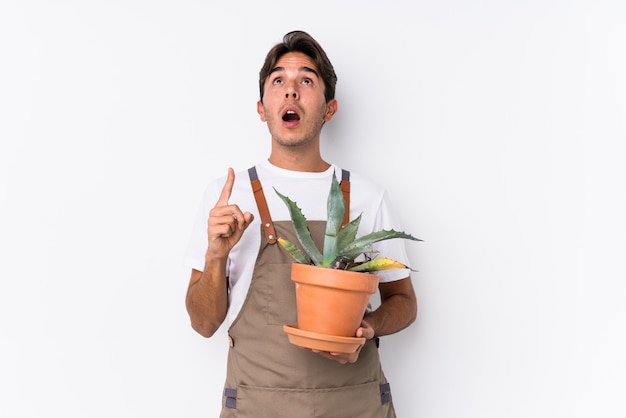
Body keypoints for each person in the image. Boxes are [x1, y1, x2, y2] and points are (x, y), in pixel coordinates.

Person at [184, 30, 417, 417]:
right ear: (262, 108)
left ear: (329, 108)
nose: (291, 91)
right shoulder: (228, 197)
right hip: (258, 406)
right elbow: (203, 323)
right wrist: (215, 257)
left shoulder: (366, 196)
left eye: (306, 80)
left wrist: (369, 328)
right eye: (278, 81)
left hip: (354, 405)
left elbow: (404, 303)